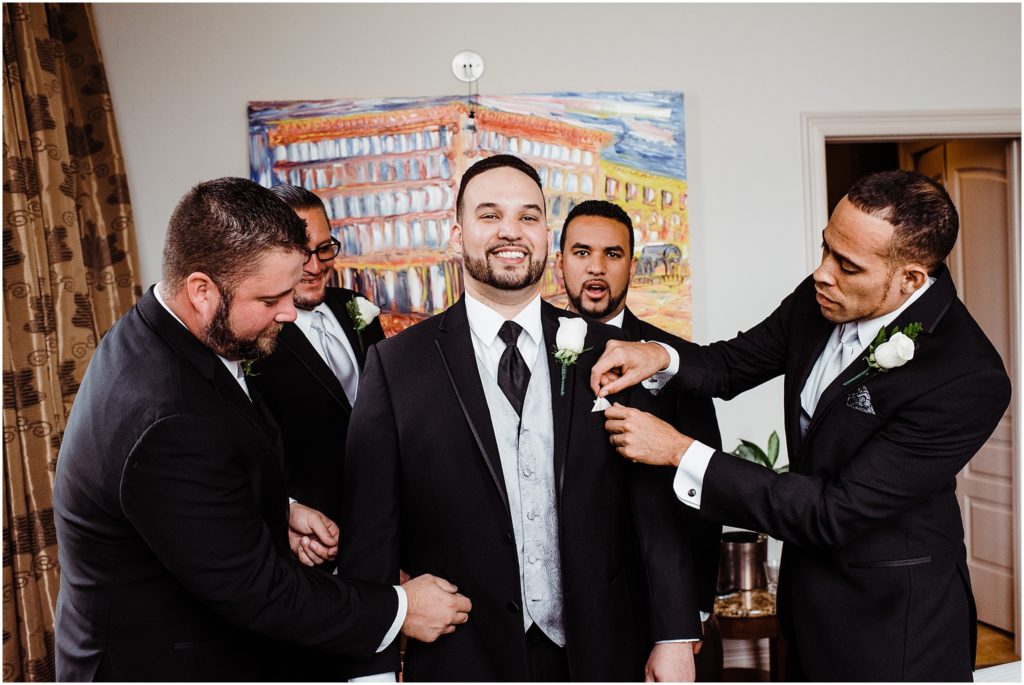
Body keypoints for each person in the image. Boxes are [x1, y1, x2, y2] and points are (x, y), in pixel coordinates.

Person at [592, 170, 1012, 681]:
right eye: (825, 249)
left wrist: (681, 451)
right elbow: (730, 365)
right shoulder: (824, 297)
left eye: (847, 264)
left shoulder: (967, 377)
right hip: (806, 600)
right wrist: (658, 354)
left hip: (895, 625)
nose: (822, 273)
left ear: (911, 280)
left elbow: (833, 512)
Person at [53, 177, 470, 681]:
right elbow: (259, 591)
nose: (289, 313)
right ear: (201, 290)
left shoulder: (165, 331)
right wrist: (401, 608)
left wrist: (279, 510)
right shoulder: (167, 415)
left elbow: (203, 484)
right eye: (271, 298)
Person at [339, 155, 701, 682]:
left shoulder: (613, 353)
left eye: (528, 216)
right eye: (490, 215)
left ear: (546, 235)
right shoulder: (396, 367)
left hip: (603, 651)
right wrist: (370, 668)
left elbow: (652, 507)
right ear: (457, 235)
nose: (511, 231)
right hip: (461, 655)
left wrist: (672, 634)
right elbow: (369, 532)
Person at [555, 199, 723, 636]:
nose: (597, 268)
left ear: (631, 265)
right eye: (581, 252)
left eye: (612, 255)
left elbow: (702, 484)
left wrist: (694, 612)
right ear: (560, 263)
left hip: (647, 597)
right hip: (553, 600)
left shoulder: (675, 359)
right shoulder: (527, 354)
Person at [249, 185, 385, 569]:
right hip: (308, 547)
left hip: (380, 532)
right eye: (300, 252)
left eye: (324, 248)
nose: (314, 266)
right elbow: (253, 451)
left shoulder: (353, 308)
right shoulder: (252, 335)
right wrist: (286, 511)